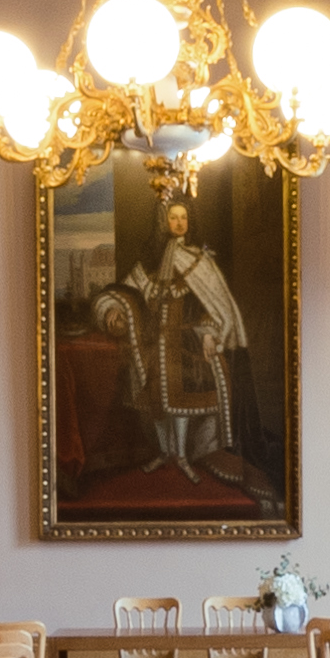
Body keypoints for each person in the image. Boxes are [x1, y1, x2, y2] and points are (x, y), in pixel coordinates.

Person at [97, 194, 250, 483]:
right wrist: (112, 310)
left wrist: (210, 335)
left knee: (181, 398)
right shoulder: (150, 264)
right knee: (156, 397)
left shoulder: (199, 260)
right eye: (173, 218)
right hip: (154, 343)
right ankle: (165, 452)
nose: (179, 223)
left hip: (189, 342)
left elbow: (213, 305)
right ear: (164, 223)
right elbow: (125, 291)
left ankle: (181, 455)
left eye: (183, 218)